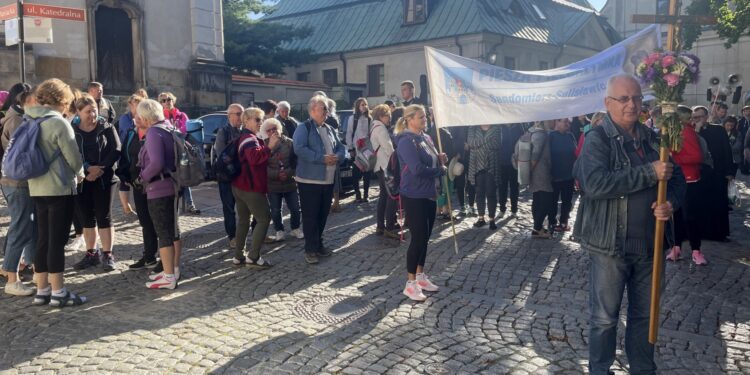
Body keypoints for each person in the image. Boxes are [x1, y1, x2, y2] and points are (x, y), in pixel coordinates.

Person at [574, 74, 686, 375]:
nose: (632, 104)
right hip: (610, 246)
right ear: (608, 103)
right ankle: (600, 370)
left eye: (636, 98)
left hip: (651, 246)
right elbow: (595, 184)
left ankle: (642, 370)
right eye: (623, 99)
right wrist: (649, 174)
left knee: (645, 317)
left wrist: (670, 204)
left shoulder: (654, 139)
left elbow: (676, 181)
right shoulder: (597, 139)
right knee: (604, 319)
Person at [28, 78, 88, 306]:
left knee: (43, 239)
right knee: (57, 241)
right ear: (62, 100)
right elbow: (74, 158)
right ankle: (59, 292)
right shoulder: (59, 123)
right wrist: (80, 172)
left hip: (36, 187)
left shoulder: (31, 120)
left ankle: (42, 290)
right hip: (59, 188)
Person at [395, 104, 446, 302]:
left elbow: (429, 160)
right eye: (421, 117)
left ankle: (420, 276)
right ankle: (410, 283)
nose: (425, 120)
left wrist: (438, 159)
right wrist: (438, 170)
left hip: (429, 192)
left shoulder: (426, 137)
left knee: (425, 237)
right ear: (410, 120)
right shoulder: (406, 141)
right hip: (413, 194)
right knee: (417, 238)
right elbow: (416, 168)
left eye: (425, 117)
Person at [70, 93, 121, 272]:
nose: (92, 115)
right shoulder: (72, 129)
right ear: (78, 112)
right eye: (87, 112)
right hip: (82, 178)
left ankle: (108, 254)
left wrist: (101, 168)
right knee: (87, 218)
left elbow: (116, 149)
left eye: (94, 111)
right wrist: (86, 168)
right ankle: (91, 254)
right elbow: (70, 152)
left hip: (105, 178)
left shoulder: (105, 126)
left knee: (104, 216)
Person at [293, 95, 346, 264]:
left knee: (323, 215)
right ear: (313, 110)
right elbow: (299, 148)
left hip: (328, 179)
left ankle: (318, 244)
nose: (327, 112)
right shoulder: (304, 127)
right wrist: (321, 158)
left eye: (327, 109)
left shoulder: (329, 128)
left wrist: (338, 156)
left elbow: (340, 147)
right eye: (324, 109)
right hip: (310, 180)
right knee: (310, 216)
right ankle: (310, 249)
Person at [137, 99, 184, 289]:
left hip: (159, 187)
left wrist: (142, 177)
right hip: (173, 184)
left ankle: (169, 276)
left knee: (163, 233)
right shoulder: (168, 127)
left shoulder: (154, 132)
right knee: (173, 231)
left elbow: (155, 163)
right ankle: (173, 269)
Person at [0, 83, 36, 295]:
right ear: (20, 99)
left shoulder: (19, 117)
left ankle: (30, 264)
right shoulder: (15, 119)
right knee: (20, 227)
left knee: (28, 224)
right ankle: (11, 276)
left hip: (19, 181)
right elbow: (20, 155)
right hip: (16, 181)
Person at [231, 108, 274, 268]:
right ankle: (254, 256)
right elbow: (255, 158)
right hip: (251, 187)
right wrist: (270, 146)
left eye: (261, 119)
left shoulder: (242, 136)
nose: (260, 123)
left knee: (243, 220)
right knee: (264, 219)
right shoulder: (249, 138)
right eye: (257, 119)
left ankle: (238, 256)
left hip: (239, 185)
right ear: (247, 120)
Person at [667, 106, 708, 265]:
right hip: (676, 181)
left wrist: (673, 160)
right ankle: (676, 248)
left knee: (691, 217)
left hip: (690, 180)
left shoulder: (686, 131)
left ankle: (696, 251)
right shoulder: (673, 130)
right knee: (676, 216)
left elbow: (696, 157)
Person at [125, 103, 159, 270]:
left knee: (159, 222)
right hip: (138, 184)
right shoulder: (132, 133)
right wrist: (126, 176)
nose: (136, 118)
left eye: (139, 116)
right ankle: (149, 256)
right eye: (135, 115)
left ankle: (166, 261)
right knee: (145, 221)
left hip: (155, 184)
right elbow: (125, 155)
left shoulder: (155, 134)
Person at [692, 106, 733, 241]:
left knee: (718, 203)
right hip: (699, 174)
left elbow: (727, 151)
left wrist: (729, 172)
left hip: (717, 173)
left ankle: (718, 233)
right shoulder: (691, 132)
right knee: (699, 203)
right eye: (695, 117)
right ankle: (700, 231)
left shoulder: (718, 130)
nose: (697, 120)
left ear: (706, 116)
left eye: (700, 117)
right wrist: (696, 131)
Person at [158, 91, 200, 216]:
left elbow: (185, 131)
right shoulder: (160, 116)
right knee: (170, 178)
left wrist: (174, 132)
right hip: (168, 151)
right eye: (163, 100)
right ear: (160, 103)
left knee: (184, 176)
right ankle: (171, 205)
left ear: (173, 100)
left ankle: (189, 204)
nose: (167, 102)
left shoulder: (182, 116)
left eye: (169, 99)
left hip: (181, 151)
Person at [264, 118, 303, 242]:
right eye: (268, 130)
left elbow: (296, 162)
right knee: (275, 210)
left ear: (279, 129)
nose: (272, 132)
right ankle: (279, 230)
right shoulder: (264, 145)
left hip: (289, 182)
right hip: (273, 184)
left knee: (295, 208)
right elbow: (262, 166)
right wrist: (276, 174)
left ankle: (295, 228)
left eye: (274, 129)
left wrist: (287, 173)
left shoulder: (289, 143)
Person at [214, 103, 244, 248]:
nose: (241, 117)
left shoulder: (245, 131)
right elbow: (221, 154)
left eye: (242, 113)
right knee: (229, 207)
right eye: (238, 114)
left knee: (247, 206)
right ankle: (232, 236)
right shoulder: (223, 132)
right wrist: (234, 170)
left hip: (243, 177)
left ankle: (254, 232)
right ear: (229, 116)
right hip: (227, 177)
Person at [369, 104, 398, 238]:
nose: (390, 118)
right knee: (391, 196)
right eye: (388, 115)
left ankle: (381, 226)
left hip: (379, 167)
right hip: (385, 166)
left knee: (383, 197)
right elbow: (389, 148)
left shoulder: (374, 126)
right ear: (381, 116)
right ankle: (389, 226)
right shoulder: (381, 128)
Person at [116, 94, 147, 216]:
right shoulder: (125, 118)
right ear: (130, 105)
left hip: (139, 153)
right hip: (127, 152)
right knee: (125, 180)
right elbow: (130, 131)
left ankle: (137, 205)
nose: (137, 105)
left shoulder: (144, 116)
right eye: (135, 103)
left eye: (139, 103)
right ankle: (126, 206)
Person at [467, 125, 500, 229]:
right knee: (479, 193)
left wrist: (478, 145)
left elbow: (496, 144)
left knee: (491, 193)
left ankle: (492, 219)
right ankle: (481, 218)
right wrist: (487, 139)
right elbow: (471, 143)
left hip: (492, 166)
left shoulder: (496, 128)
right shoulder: (472, 128)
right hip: (476, 165)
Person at [548, 118, 578, 232]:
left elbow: (575, 152)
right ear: (557, 122)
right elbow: (546, 156)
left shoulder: (570, 136)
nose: (567, 124)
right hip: (554, 175)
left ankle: (563, 222)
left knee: (567, 201)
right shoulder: (550, 136)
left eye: (568, 122)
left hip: (569, 175)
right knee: (553, 201)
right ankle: (552, 222)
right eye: (564, 121)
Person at [528, 121, 554, 238]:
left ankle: (537, 228)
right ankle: (537, 228)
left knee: (538, 199)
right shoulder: (541, 134)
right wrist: (530, 170)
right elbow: (535, 154)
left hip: (537, 171)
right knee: (545, 200)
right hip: (540, 172)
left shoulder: (534, 132)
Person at [345, 97, 373, 203]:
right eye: (362, 104)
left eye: (366, 104)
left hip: (366, 150)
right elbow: (349, 133)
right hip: (356, 150)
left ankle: (366, 194)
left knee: (367, 174)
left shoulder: (370, 119)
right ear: (357, 106)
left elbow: (371, 134)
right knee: (355, 174)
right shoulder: (353, 119)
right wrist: (350, 148)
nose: (364, 106)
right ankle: (357, 193)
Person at [498, 123, 524, 217]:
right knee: (502, 187)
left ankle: (514, 210)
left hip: (515, 163)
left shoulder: (518, 126)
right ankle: (502, 209)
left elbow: (523, 141)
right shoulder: (500, 127)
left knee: (514, 187)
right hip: (502, 162)